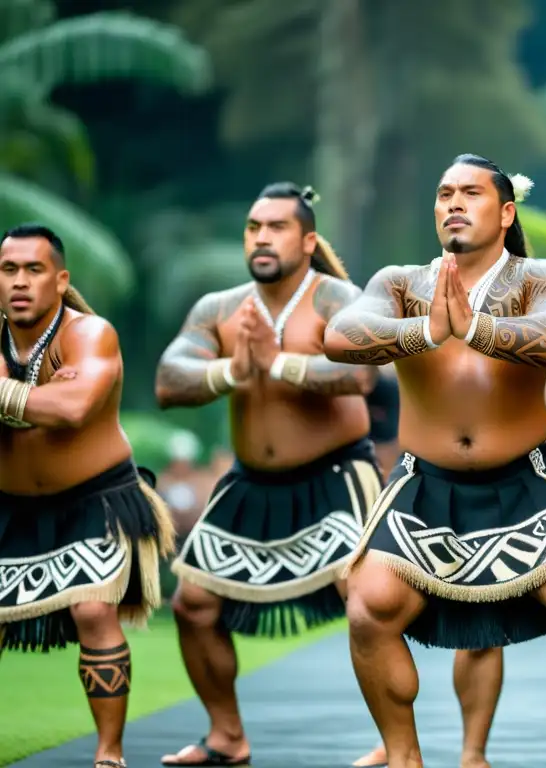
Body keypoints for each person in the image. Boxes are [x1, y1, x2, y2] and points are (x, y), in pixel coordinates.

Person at [323, 154, 546, 768]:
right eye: (444, 194)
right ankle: (404, 756)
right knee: (367, 607)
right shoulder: (401, 283)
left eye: (471, 193)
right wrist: (425, 332)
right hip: (424, 482)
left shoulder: (540, 277)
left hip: (526, 479)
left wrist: (476, 326)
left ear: (506, 212)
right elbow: (339, 335)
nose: (453, 203)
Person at [154, 183, 381, 767]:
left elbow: (361, 374)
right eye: (254, 226)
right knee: (194, 603)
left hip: (336, 476)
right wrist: (234, 368)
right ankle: (226, 737)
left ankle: (395, 745)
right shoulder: (220, 309)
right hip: (252, 483)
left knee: (368, 600)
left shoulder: (339, 298)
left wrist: (276, 362)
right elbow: (169, 379)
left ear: (307, 241)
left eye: (276, 227)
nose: (260, 237)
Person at [0, 224, 176, 768]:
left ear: (60, 279)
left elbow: (73, 410)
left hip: (93, 498)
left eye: (34, 270)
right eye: (9, 270)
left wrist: (9, 395)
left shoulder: (90, 335)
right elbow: (52, 406)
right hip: (10, 507)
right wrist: (39, 397)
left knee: (93, 612)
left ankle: (109, 754)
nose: (20, 282)